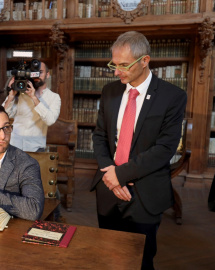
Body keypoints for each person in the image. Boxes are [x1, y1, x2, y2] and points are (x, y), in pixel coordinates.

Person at [91, 31, 187, 270]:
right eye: (114, 64)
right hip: (108, 190)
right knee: (108, 257)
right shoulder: (110, 91)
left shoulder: (172, 96)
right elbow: (100, 136)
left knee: (141, 260)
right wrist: (111, 175)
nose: (116, 71)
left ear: (145, 60)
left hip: (145, 195)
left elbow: (165, 149)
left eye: (124, 65)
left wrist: (120, 176)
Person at [2, 62, 61, 152]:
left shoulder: (54, 97)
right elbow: (3, 116)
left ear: (47, 75)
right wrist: (11, 96)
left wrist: (33, 97)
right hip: (14, 144)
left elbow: (50, 120)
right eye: (33, 72)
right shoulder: (20, 92)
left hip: (36, 147)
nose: (36, 76)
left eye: (40, 72)